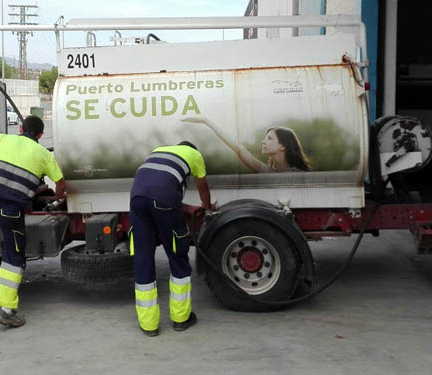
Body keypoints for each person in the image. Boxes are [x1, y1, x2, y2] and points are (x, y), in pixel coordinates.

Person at [0, 115, 66, 329]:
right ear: (41, 135)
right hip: (11, 212)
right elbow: (60, 183)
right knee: (14, 257)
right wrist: (58, 198)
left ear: (21, 129)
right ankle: (7, 311)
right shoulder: (44, 155)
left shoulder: (5, 139)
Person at [129, 141, 214, 336]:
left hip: (138, 199)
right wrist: (207, 208)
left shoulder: (158, 151)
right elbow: (203, 186)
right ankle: (181, 318)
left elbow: (154, 190)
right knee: (177, 255)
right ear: (193, 149)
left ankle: (148, 325)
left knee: (143, 258)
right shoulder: (194, 155)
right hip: (164, 200)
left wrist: (184, 207)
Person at [182, 116, 311, 172]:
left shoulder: (300, 175)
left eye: (270, 138)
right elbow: (238, 148)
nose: (263, 141)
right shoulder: (267, 172)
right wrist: (206, 121)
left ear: (283, 146)